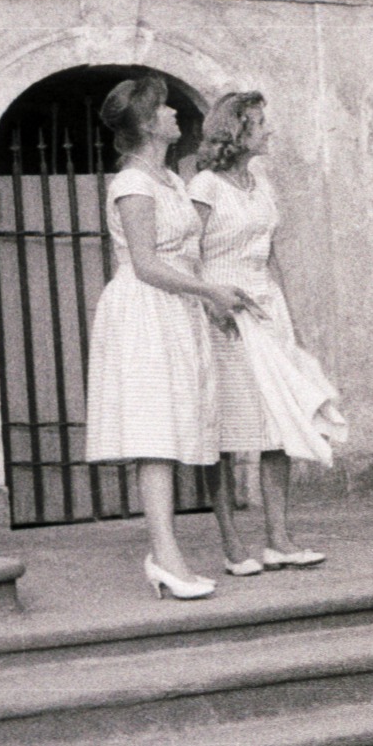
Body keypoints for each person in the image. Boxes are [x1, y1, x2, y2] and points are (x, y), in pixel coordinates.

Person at [84, 75, 256, 600]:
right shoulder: (132, 183)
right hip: (144, 310)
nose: (177, 116)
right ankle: (165, 557)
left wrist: (209, 301)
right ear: (146, 122)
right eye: (166, 110)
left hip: (176, 309)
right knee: (152, 434)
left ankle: (167, 557)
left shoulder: (170, 179)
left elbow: (186, 252)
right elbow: (146, 265)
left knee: (176, 428)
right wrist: (209, 291)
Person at [189, 91, 347, 577]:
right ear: (237, 132)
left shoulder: (260, 182)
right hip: (222, 311)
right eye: (260, 123)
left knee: (281, 421)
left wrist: (289, 317)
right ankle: (232, 543)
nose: (269, 130)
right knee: (223, 429)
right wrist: (208, 298)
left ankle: (279, 539)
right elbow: (185, 251)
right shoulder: (205, 186)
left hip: (265, 307)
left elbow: (270, 251)